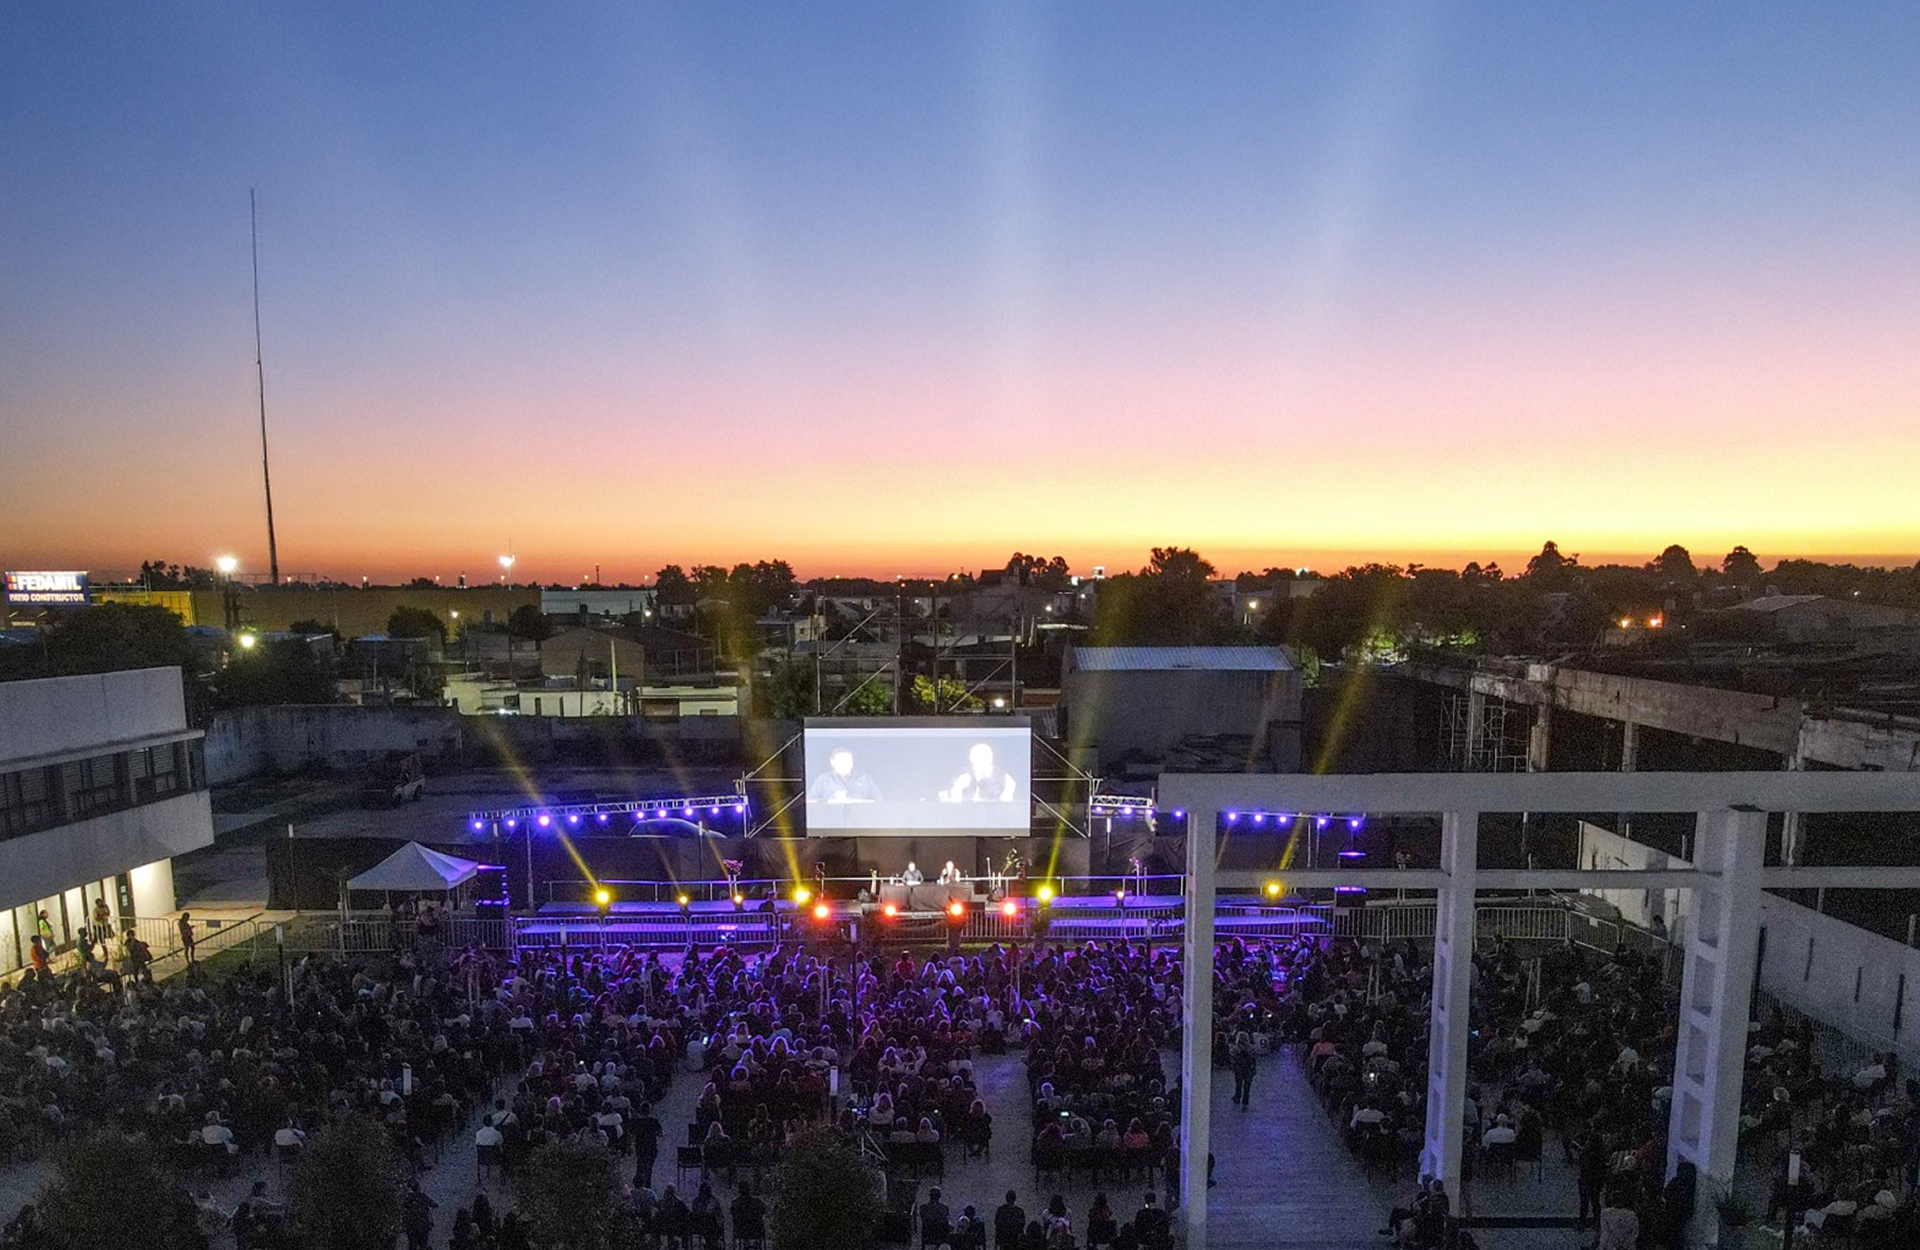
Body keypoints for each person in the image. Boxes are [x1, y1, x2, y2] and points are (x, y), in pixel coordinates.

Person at [945, 742, 1017, 802]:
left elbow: (1006, 802)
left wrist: (988, 779)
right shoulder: (962, 773)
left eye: (986, 757)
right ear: (971, 758)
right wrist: (958, 787)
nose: (982, 760)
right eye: (978, 757)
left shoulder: (1003, 776)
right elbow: (952, 799)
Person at [808, 747, 881, 803]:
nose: (844, 764)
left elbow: (879, 800)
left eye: (847, 760)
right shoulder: (823, 779)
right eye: (841, 761)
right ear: (832, 762)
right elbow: (810, 801)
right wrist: (828, 801)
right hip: (830, 816)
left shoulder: (864, 778)